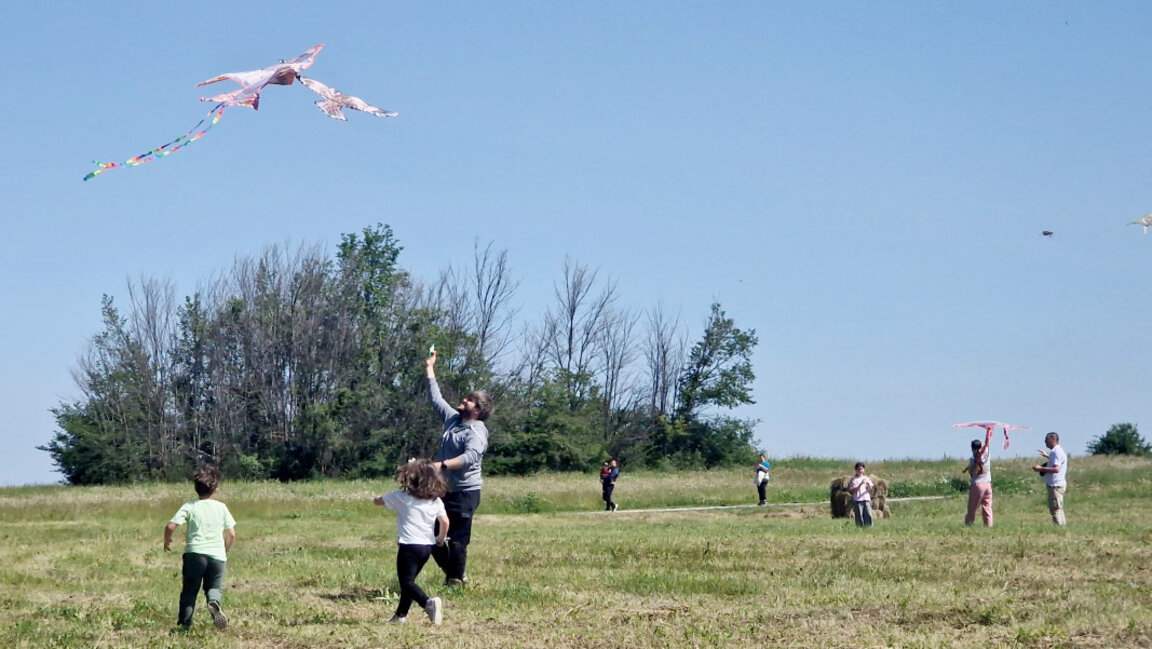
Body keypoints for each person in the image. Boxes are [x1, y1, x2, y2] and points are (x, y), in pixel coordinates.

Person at [425, 347, 491, 587]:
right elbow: (436, 399)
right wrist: (430, 368)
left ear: (478, 409)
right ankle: (455, 573)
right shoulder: (453, 419)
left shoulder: (477, 431)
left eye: (469, 400)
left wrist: (440, 465)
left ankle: (455, 580)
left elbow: (470, 456)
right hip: (444, 490)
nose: (463, 400)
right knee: (433, 536)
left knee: (458, 540)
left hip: (465, 492)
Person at [374, 460, 449, 625]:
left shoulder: (402, 497)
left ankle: (428, 603)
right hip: (426, 548)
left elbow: (377, 501)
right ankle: (400, 616)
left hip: (409, 546)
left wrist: (377, 497)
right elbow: (444, 522)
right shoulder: (435, 501)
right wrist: (440, 540)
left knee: (406, 583)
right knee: (409, 582)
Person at [164, 466, 236, 631]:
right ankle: (213, 602)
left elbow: (170, 526)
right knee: (214, 587)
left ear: (196, 488)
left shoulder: (190, 506)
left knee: (189, 592)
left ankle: (184, 626)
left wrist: (166, 542)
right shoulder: (222, 507)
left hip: (194, 555)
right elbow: (232, 534)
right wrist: (224, 550)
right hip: (217, 555)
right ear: (216, 490)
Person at [1032, 431, 1068, 525]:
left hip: (1055, 485)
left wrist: (1041, 468)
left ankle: (1059, 527)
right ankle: (1062, 526)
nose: (1045, 441)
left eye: (1046, 439)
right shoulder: (1056, 451)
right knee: (1058, 508)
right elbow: (1057, 462)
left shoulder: (1056, 452)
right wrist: (1047, 456)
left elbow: (1056, 469)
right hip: (1057, 484)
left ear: (1052, 439)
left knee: (1055, 509)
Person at [964, 427, 994, 527]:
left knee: (972, 508)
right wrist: (988, 431)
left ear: (972, 448)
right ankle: (988, 525)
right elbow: (987, 442)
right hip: (987, 484)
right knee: (987, 507)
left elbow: (973, 472)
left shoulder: (974, 459)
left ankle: (969, 524)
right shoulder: (986, 454)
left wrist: (972, 466)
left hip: (978, 484)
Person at [847, 462, 874, 528]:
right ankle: (860, 527)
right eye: (858, 469)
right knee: (859, 515)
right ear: (856, 470)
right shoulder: (854, 480)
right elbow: (853, 490)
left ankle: (869, 527)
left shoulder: (867, 478)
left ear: (864, 470)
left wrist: (868, 487)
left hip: (866, 499)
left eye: (861, 469)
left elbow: (870, 489)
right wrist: (861, 484)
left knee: (868, 514)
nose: (860, 471)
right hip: (858, 500)